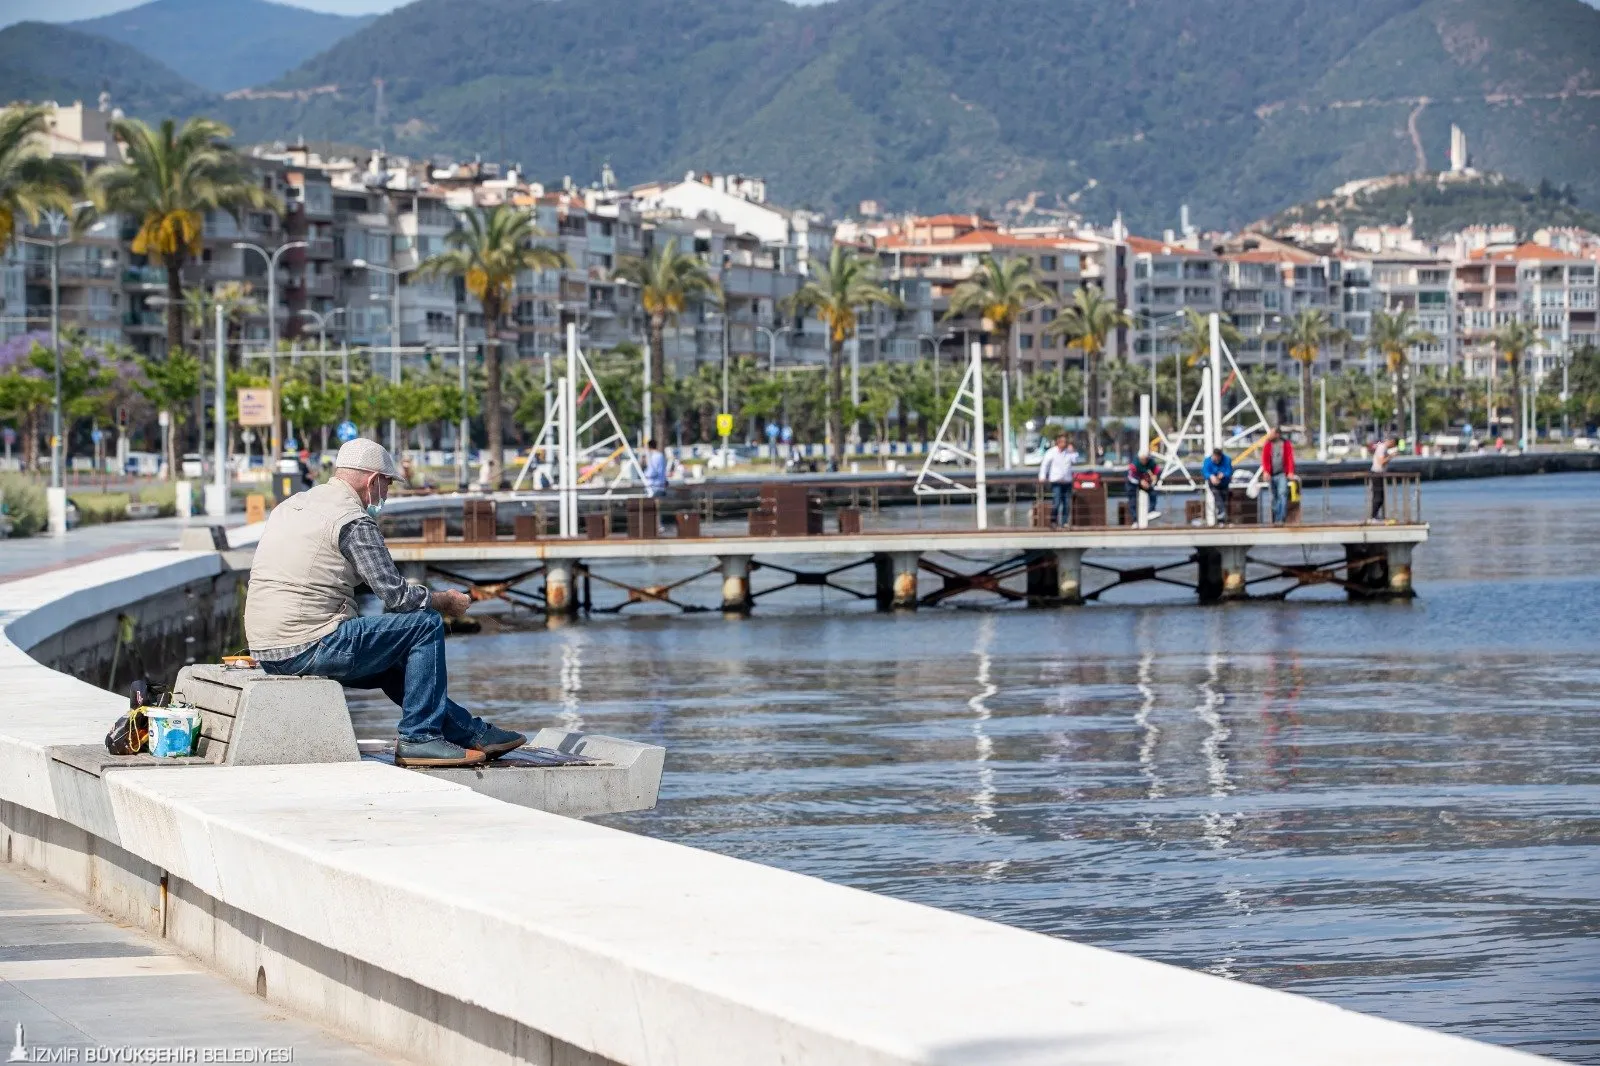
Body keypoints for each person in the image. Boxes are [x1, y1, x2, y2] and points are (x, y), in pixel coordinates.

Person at [244, 438, 525, 768]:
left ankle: (470, 732)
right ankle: (419, 739)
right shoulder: (352, 520)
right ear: (373, 481)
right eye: (388, 484)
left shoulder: (292, 506)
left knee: (395, 660)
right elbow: (398, 597)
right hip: (308, 646)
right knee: (424, 625)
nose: (387, 494)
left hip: (267, 650)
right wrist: (444, 601)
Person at [1037, 433, 1077, 526]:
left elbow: (1075, 460)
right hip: (1056, 481)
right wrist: (1042, 476)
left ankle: (1064, 522)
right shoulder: (1051, 452)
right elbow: (1045, 465)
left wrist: (1073, 452)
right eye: (1063, 442)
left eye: (1066, 442)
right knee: (1057, 502)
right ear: (1058, 443)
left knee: (1066, 503)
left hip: (1067, 481)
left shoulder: (1069, 452)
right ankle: (1053, 521)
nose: (1065, 443)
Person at [1261, 426, 1296, 524]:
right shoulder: (1268, 444)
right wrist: (1266, 471)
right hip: (1271, 474)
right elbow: (1265, 459)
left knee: (1282, 494)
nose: (1269, 435)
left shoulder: (1286, 444)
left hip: (1282, 474)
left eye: (1272, 433)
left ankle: (1280, 519)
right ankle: (1276, 517)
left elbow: (1290, 458)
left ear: (1277, 434)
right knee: (1274, 498)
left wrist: (1290, 471)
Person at [1125, 450, 1161, 524]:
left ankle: (1151, 510)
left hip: (1145, 481)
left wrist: (1155, 476)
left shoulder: (1151, 462)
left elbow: (1157, 470)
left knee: (1153, 493)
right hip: (1133, 483)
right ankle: (1135, 520)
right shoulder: (1134, 464)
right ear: (1139, 458)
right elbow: (1131, 477)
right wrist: (1140, 482)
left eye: (1146, 459)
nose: (1144, 461)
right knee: (1132, 501)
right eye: (1142, 459)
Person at [1201, 447, 1233, 525]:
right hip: (1213, 484)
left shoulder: (1227, 460)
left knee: (1224, 499)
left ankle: (1222, 519)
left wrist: (1223, 474)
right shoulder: (1207, 461)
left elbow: (1229, 471)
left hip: (1224, 483)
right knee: (1218, 499)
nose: (1216, 460)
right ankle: (1221, 518)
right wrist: (1211, 476)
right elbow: (1205, 472)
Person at [1369, 434, 1396, 520]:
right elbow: (1381, 462)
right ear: (1391, 441)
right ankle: (1373, 516)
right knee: (1378, 497)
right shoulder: (1382, 448)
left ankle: (1375, 516)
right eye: (1393, 443)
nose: (1393, 446)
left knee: (1381, 496)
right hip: (1376, 473)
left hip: (1379, 473)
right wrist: (1391, 456)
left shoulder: (1384, 448)